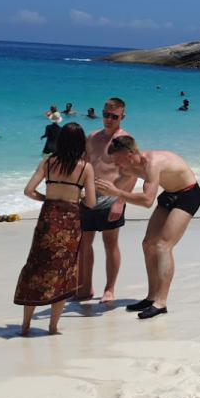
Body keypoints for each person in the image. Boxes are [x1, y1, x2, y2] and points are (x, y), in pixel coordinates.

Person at [14, 122, 97, 336]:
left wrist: (47, 199)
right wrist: (74, 198)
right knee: (64, 270)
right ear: (81, 143)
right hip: (70, 221)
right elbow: (91, 203)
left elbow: (28, 191)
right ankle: (52, 327)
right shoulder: (85, 167)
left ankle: (25, 325)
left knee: (36, 266)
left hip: (48, 217)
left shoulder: (48, 162)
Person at [107, 137, 200, 319]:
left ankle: (161, 302)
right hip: (170, 194)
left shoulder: (152, 163)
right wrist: (92, 193)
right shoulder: (128, 165)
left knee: (163, 246)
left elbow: (147, 200)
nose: (116, 164)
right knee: (148, 244)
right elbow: (117, 184)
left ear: (130, 154)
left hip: (188, 194)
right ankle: (151, 297)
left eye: (118, 159)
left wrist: (117, 194)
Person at [77, 97, 130, 303]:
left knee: (110, 244)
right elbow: (83, 164)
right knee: (84, 244)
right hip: (89, 197)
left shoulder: (124, 140)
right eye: (106, 114)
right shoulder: (92, 138)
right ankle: (85, 287)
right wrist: (77, 191)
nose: (109, 119)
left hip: (112, 198)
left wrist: (120, 201)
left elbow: (131, 173)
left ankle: (109, 289)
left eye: (114, 116)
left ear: (122, 117)